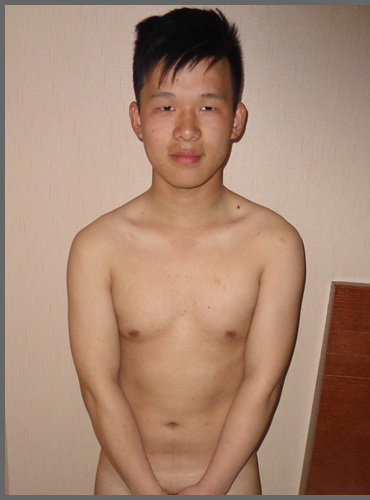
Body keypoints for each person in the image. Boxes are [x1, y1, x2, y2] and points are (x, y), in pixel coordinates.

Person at [67, 7, 305, 495]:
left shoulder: (276, 245)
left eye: (209, 107)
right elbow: (98, 389)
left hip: (229, 484)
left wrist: (210, 488)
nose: (187, 130)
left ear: (237, 119)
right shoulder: (97, 248)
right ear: (137, 118)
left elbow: (263, 386)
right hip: (124, 483)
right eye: (166, 106)